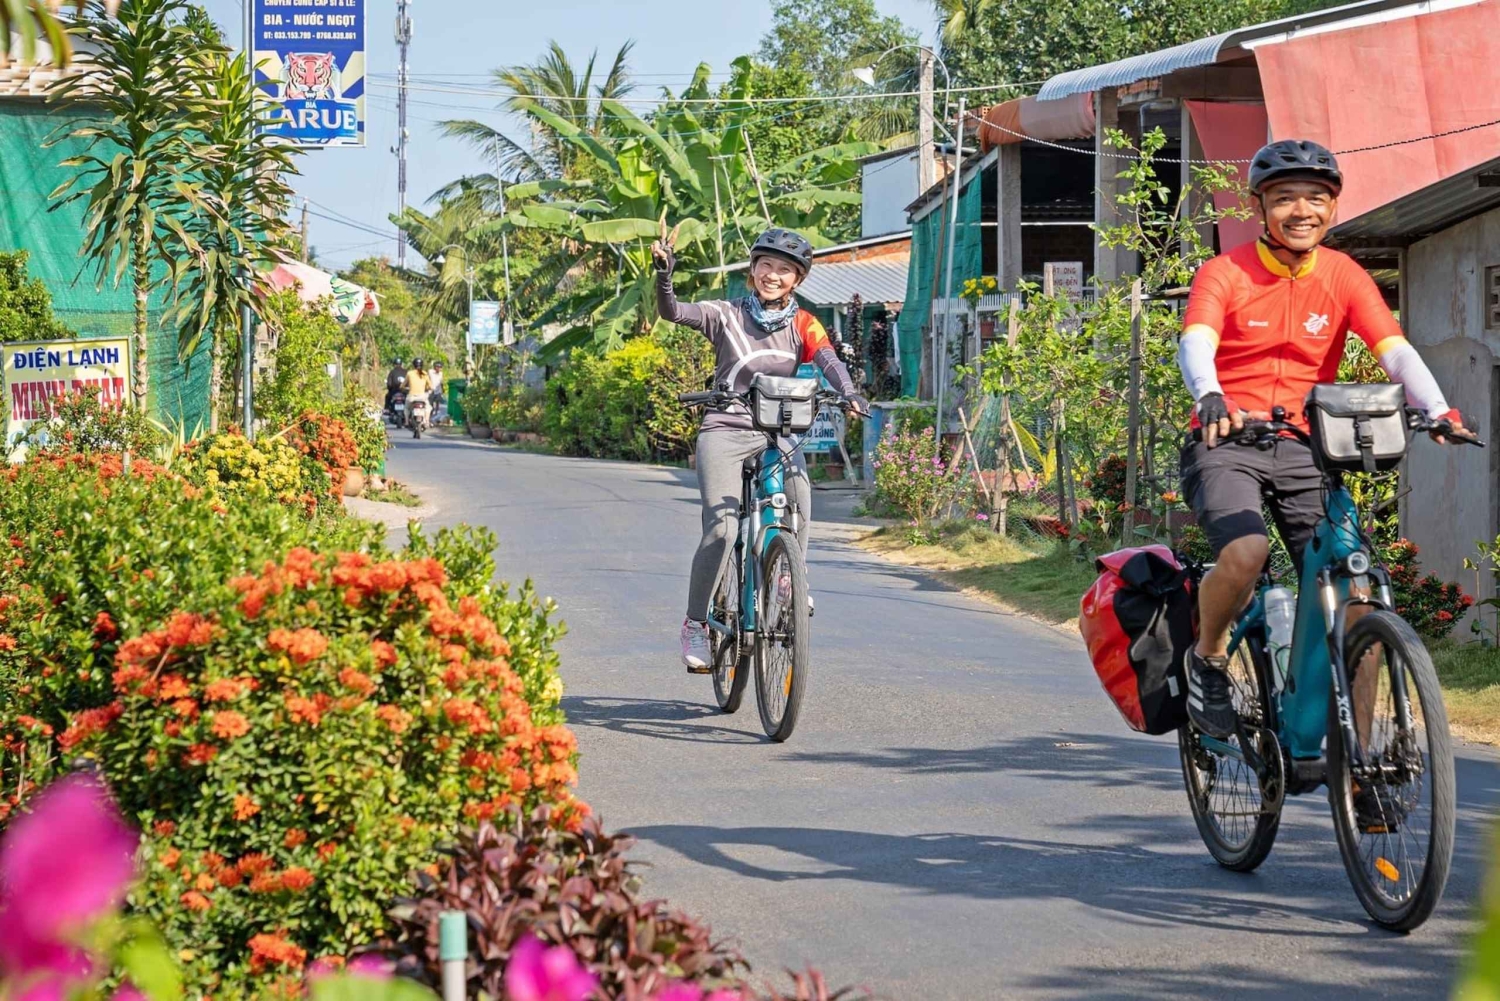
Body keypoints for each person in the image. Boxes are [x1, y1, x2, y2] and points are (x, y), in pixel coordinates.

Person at [1177, 139, 1475, 758]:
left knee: (1354, 600)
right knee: (1246, 551)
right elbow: (1197, 339)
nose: (1301, 209)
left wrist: (1438, 409)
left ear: (1333, 207)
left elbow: (1394, 349)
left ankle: (1361, 762)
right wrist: (1209, 395)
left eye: (1316, 197)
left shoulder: (1342, 274)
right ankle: (1206, 655)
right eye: (1285, 197)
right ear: (1260, 207)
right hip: (1227, 439)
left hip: (1309, 448)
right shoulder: (1225, 271)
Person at [654, 223, 868, 672]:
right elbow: (673, 312)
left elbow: (828, 359)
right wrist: (665, 277)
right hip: (725, 429)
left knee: (799, 498)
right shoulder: (725, 314)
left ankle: (789, 577)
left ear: (798, 279)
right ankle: (696, 622)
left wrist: (848, 392)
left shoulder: (804, 323)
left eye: (785, 270)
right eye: (765, 265)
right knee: (722, 529)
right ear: (752, 271)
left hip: (778, 431)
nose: (773, 274)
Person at [405, 359, 433, 426]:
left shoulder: (409, 373)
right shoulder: (425, 373)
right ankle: (427, 421)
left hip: (411, 396)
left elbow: (403, 384)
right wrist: (429, 389)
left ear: (414, 365)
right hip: (422, 397)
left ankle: (406, 422)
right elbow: (430, 386)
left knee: (406, 408)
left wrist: (403, 388)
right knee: (428, 408)